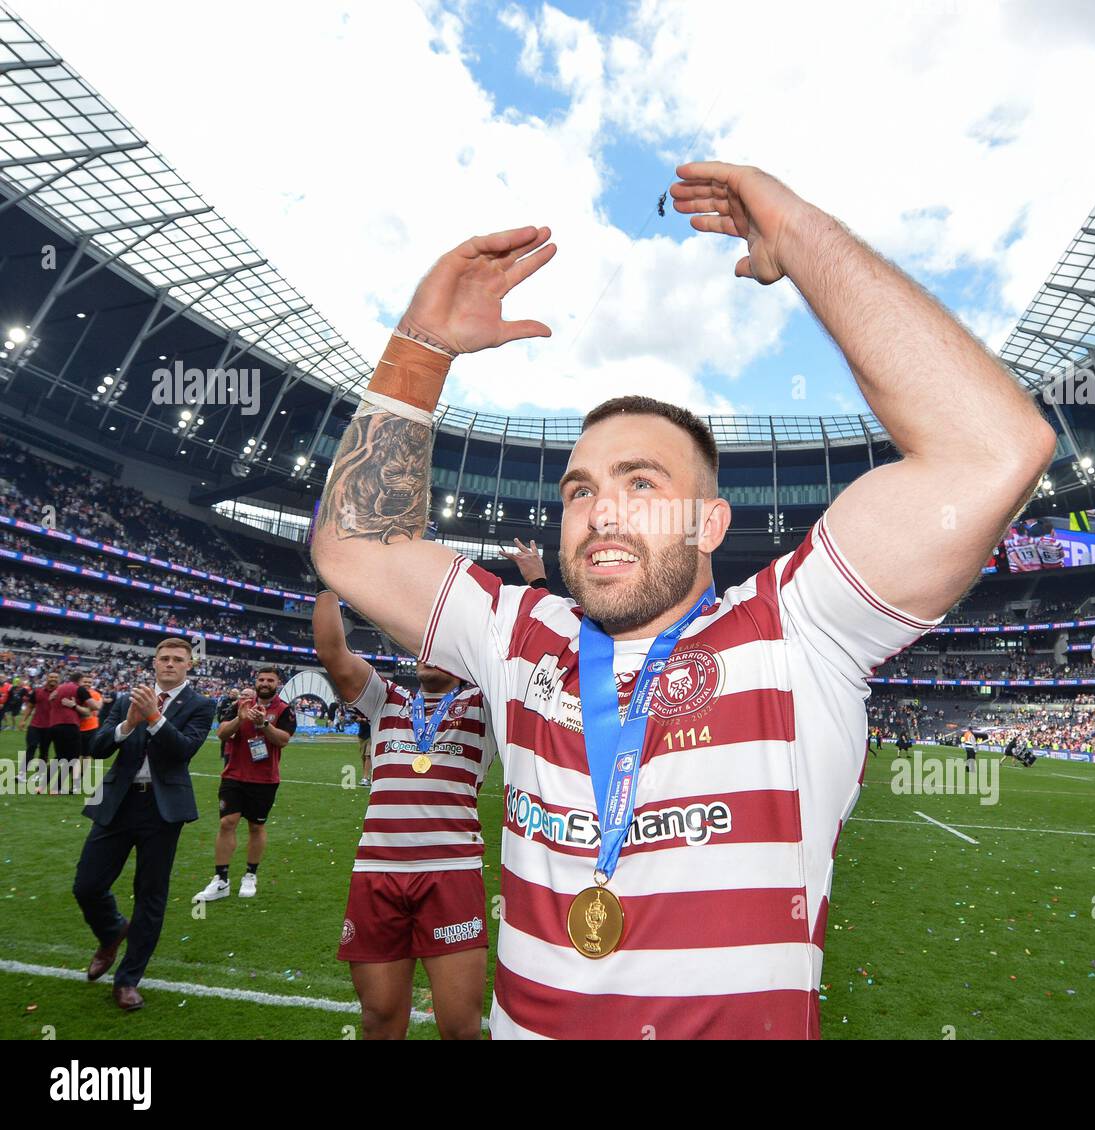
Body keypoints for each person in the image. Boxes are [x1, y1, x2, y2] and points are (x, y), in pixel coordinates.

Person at [310, 161, 1056, 1038]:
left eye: (640, 482)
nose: (602, 510)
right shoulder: (517, 637)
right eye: (580, 489)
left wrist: (802, 233)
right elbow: (353, 545)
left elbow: (995, 448)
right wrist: (421, 347)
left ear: (710, 523)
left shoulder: (796, 632)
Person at [313, 591, 497, 1040]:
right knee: (379, 1020)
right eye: (423, 644)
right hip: (377, 875)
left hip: (450, 875)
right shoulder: (384, 700)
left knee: (460, 1029)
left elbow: (529, 661)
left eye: (442, 645)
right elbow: (332, 651)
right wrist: (332, 579)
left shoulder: (485, 707)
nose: (428, 651)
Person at [74, 638, 215, 1011]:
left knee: (150, 894)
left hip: (162, 806)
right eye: (163, 658)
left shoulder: (202, 705)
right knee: (87, 884)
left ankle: (127, 980)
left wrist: (154, 718)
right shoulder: (125, 699)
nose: (169, 664)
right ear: (154, 663)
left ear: (189, 666)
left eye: (177, 660)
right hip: (118, 800)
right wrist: (127, 724)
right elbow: (98, 747)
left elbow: (184, 750)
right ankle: (111, 931)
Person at [193, 667, 296, 902]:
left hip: (264, 779)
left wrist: (264, 725)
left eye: (270, 680)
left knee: (255, 827)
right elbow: (221, 733)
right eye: (261, 679)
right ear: (256, 681)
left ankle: (250, 875)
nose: (265, 683)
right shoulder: (240, 704)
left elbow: (284, 740)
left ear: (277, 683)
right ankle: (221, 879)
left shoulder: (284, 710)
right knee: (227, 822)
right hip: (234, 775)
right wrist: (240, 719)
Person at [20, 671, 58, 789]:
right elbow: (30, 706)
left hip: (51, 727)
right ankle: (22, 773)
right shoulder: (37, 691)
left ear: (59, 679)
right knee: (31, 746)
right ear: (47, 678)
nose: (53, 679)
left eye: (55, 677)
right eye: (51, 676)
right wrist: (23, 720)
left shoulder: (60, 693)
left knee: (44, 750)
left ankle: (39, 773)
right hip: (35, 725)